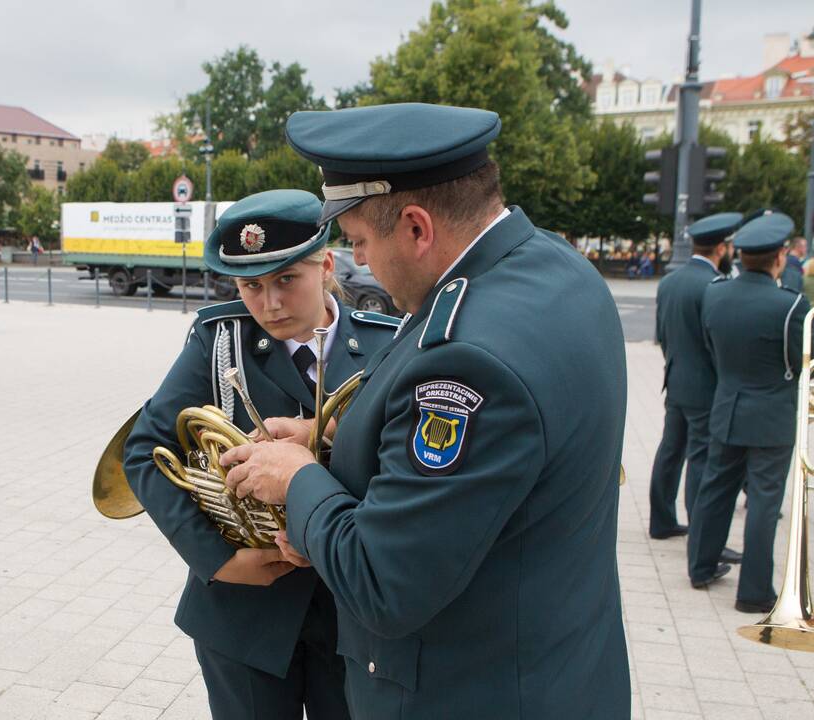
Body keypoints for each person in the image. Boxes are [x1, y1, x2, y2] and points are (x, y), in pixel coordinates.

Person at [221, 103, 630, 718]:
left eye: (358, 242)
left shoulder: (467, 358)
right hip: (556, 668)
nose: (363, 264)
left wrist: (297, 479)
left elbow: (384, 584)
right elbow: (495, 468)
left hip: (469, 692)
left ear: (416, 227)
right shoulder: (555, 268)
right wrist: (328, 433)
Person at [123, 189, 399, 720]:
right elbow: (143, 453)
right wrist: (220, 560)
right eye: (251, 285)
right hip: (242, 612)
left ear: (325, 264)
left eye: (286, 281)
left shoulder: (387, 344)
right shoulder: (218, 339)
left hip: (349, 613)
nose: (268, 303)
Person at [687, 212, 808, 613]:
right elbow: (798, 361)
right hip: (771, 416)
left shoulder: (716, 293)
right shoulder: (790, 305)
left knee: (715, 489)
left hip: (727, 406)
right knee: (763, 503)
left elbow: (710, 347)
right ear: (778, 257)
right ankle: (754, 591)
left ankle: (701, 566)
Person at [648, 213, 742, 544]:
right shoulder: (715, 286)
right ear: (720, 248)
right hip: (706, 386)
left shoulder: (670, 281)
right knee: (700, 458)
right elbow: (719, 342)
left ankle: (661, 521)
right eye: (729, 246)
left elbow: (661, 333)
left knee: (671, 450)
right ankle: (700, 534)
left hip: (676, 379)